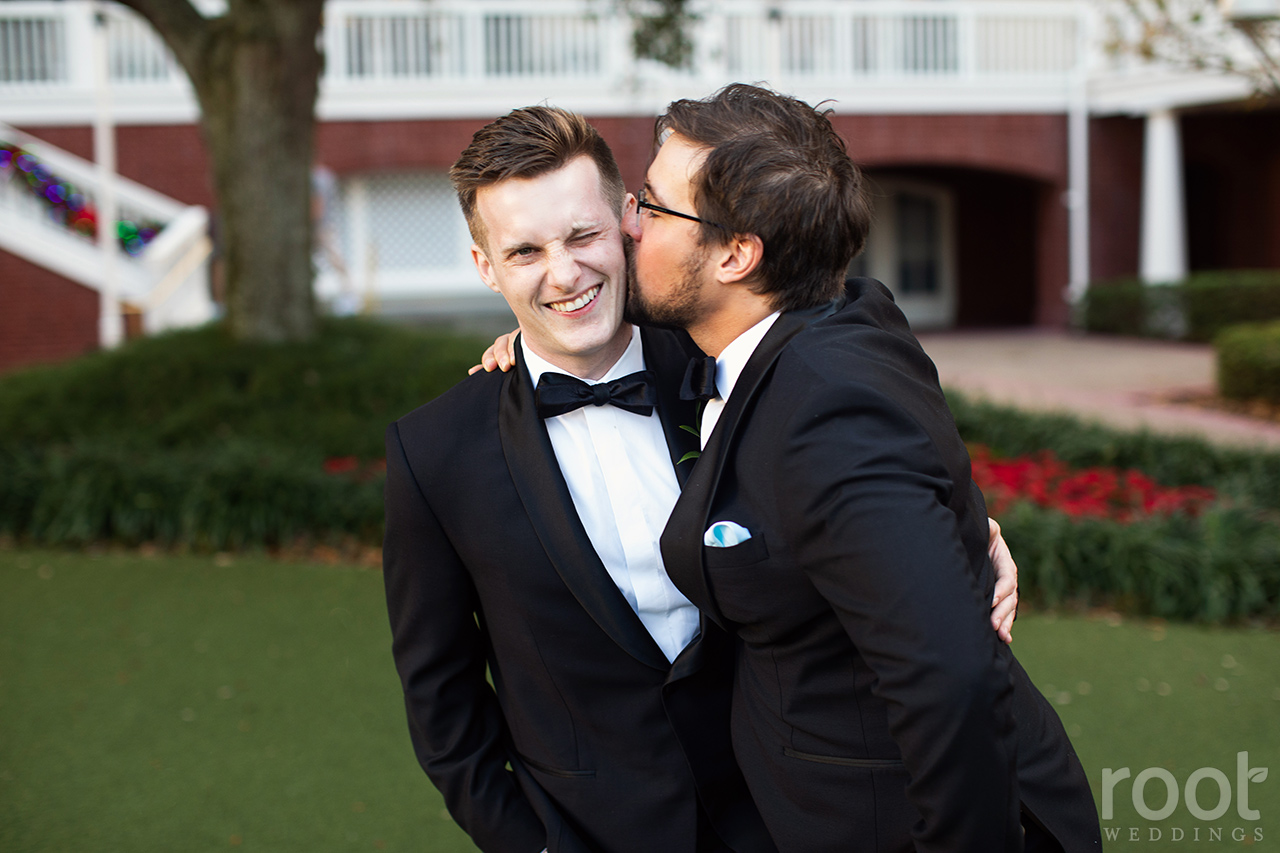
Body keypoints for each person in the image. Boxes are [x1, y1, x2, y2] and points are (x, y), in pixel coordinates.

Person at [383, 105, 1020, 853]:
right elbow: (443, 701)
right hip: (596, 833)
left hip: (791, 816)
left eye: (584, 235)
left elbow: (855, 383)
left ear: (630, 219)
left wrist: (962, 525)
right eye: (525, 251)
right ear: (486, 266)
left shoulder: (734, 367)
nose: (564, 273)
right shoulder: (435, 451)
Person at [623, 84, 1102, 851]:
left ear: (738, 254)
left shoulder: (829, 412)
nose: (629, 224)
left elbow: (950, 681)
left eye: (650, 205)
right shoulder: (832, 313)